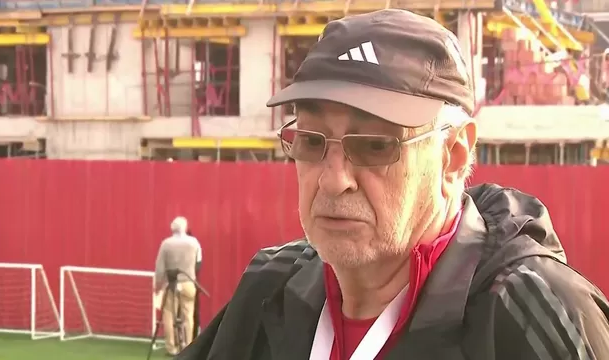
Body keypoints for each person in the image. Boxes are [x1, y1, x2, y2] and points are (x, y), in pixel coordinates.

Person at [178, 9, 609, 360]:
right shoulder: (270, 287)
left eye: (373, 145)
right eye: (311, 141)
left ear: (452, 157)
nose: (333, 180)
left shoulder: (530, 312)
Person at [154, 216, 201, 355]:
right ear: (185, 228)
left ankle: (171, 347)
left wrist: (158, 284)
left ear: (172, 228)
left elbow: (160, 267)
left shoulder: (166, 244)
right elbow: (198, 261)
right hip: (188, 282)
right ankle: (188, 346)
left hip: (172, 284)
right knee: (188, 315)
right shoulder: (194, 243)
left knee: (168, 315)